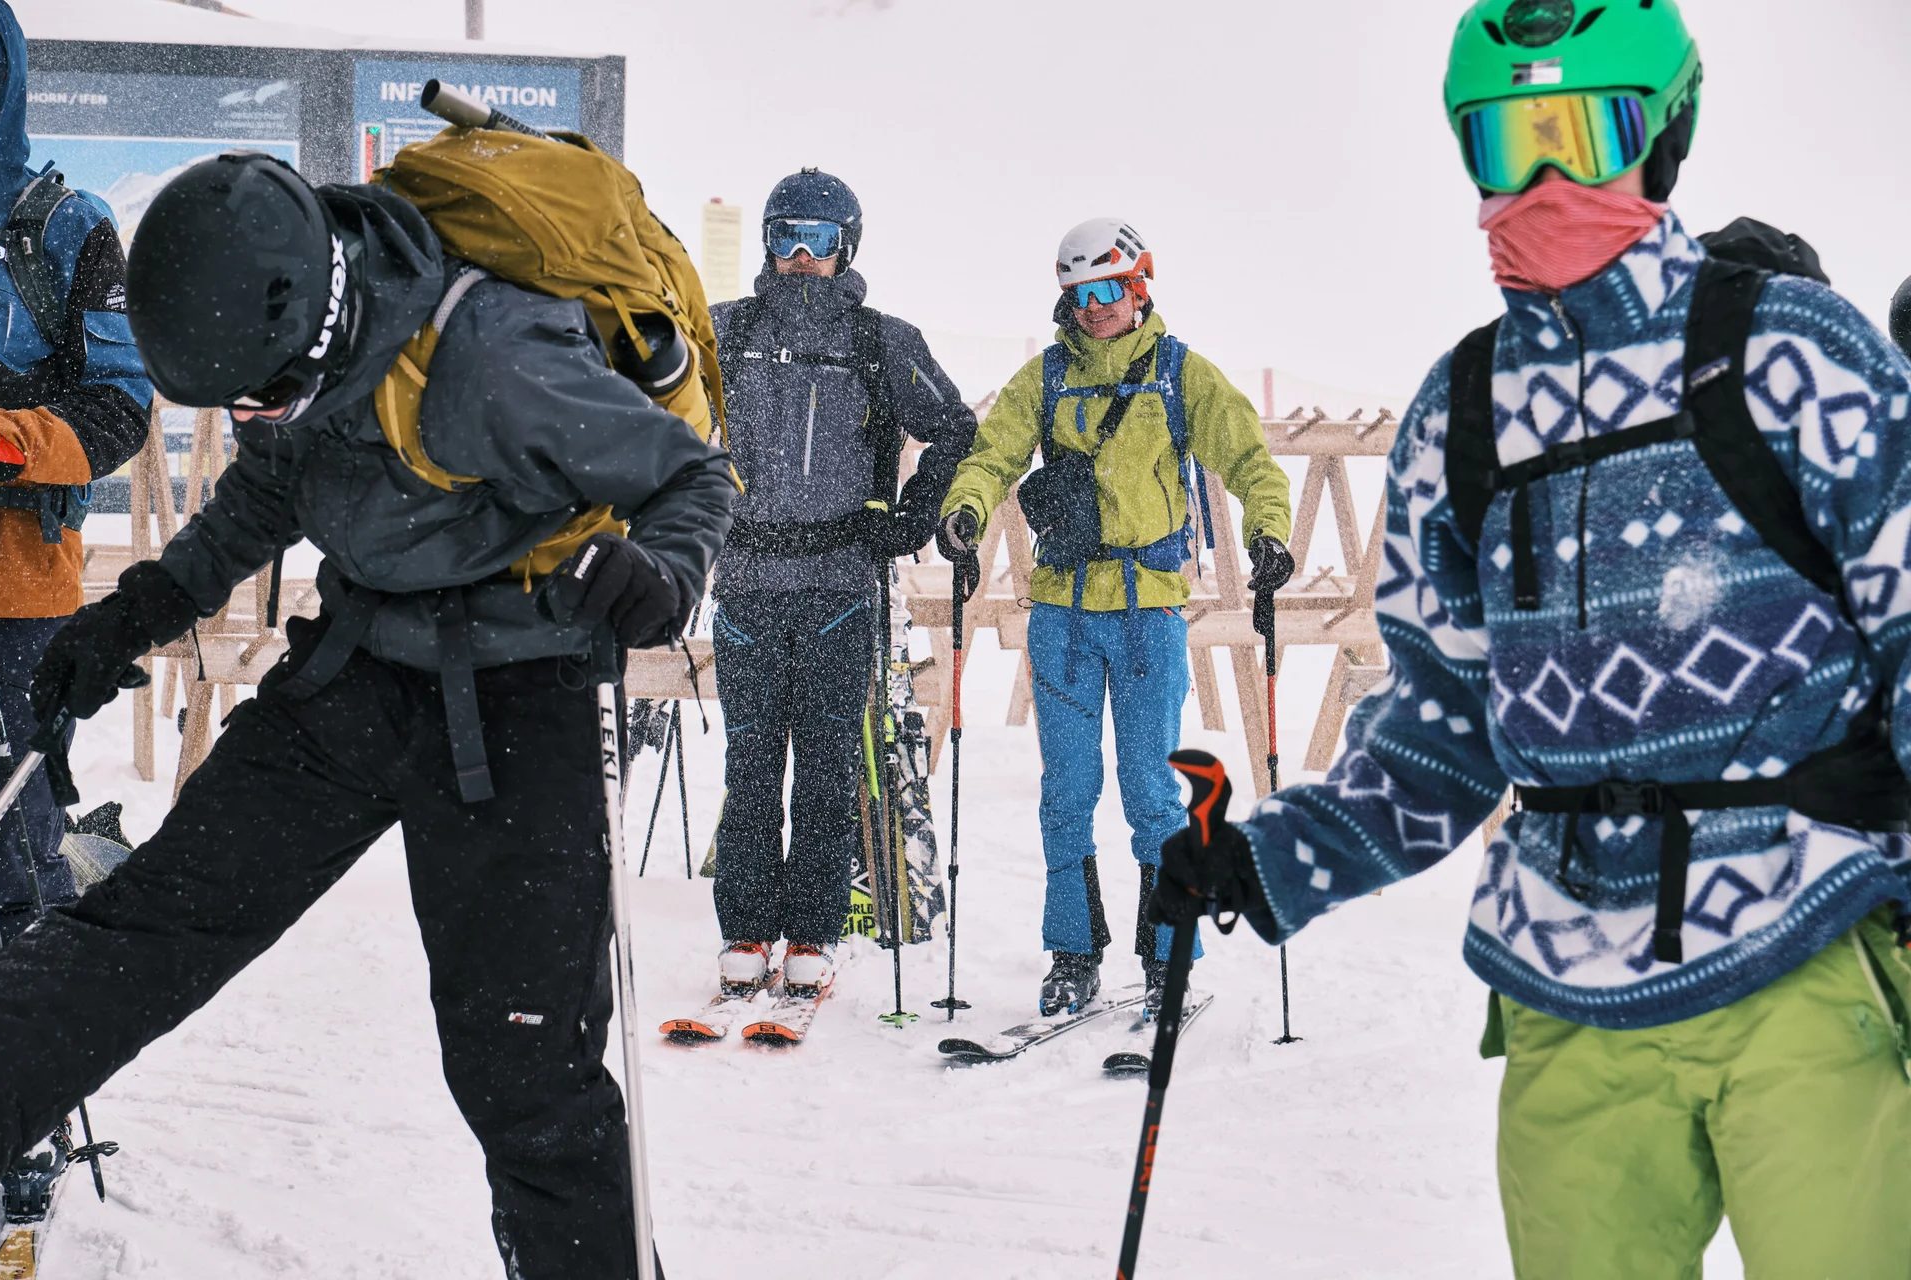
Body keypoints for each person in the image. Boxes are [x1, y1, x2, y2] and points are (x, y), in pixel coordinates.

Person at [1154, 2, 1911, 1274]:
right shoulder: (1464, 412)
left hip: (1809, 945)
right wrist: (1261, 861)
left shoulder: (1793, 349)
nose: (1546, 181)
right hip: (1567, 984)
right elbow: (1439, 738)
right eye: (1509, 144)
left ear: (1661, 138)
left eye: (1582, 132)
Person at [0, 153, 733, 1277]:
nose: (255, 414)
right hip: (357, 665)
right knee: (140, 933)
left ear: (325, 325)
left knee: (523, 1067)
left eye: (263, 395)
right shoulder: (282, 331)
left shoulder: (495, 361)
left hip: (521, 694)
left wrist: (663, 572)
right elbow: (274, 483)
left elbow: (692, 481)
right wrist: (144, 606)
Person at [937, 218, 1292, 1016]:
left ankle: (1169, 956)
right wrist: (965, 508)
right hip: (1061, 611)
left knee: (1149, 792)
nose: (1093, 307)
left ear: (1140, 286)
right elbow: (993, 454)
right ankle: (1072, 952)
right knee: (1065, 790)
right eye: (1077, 293)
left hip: (1148, 615)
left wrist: (1269, 530)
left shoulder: (1179, 374)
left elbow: (1250, 460)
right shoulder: (1046, 377)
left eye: (1107, 289)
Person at [707, 168, 977, 1002]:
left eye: (818, 241)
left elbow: (956, 427)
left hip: (838, 583)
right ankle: (745, 927)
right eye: (785, 235)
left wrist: (912, 515)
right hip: (747, 577)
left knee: (826, 765)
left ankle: (814, 932)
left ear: (845, 249)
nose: (799, 255)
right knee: (750, 762)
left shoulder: (882, 341)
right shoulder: (725, 330)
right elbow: (658, 411)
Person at [0, 0, 150, 940]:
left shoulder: (62, 228)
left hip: (16, 591)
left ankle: (22, 1069)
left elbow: (121, 406)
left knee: (15, 845)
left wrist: (9, 443)